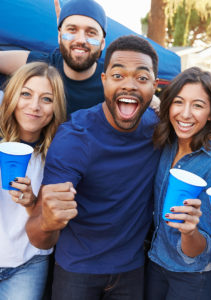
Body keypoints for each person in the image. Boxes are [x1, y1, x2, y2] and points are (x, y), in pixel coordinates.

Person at [25, 35, 160, 300]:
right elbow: (38, 236)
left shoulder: (160, 130)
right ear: (104, 80)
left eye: (142, 78)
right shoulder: (75, 136)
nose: (130, 85)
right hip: (76, 270)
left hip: (132, 270)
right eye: (118, 75)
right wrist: (49, 222)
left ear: (155, 86)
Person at [145, 67, 211, 300]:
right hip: (156, 260)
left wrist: (189, 231)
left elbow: (203, 249)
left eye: (197, 105)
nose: (185, 114)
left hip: (194, 276)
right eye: (178, 102)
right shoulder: (167, 142)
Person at [0, 62, 66, 300]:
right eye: (26, 94)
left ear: (55, 107)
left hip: (28, 264)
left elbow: (53, 227)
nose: (34, 106)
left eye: (46, 99)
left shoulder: (58, 157)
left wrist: (31, 202)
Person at [0, 0, 106, 114]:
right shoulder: (44, 64)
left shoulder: (113, 79)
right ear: (59, 37)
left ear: (102, 43)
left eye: (91, 32)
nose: (81, 40)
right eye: (72, 30)